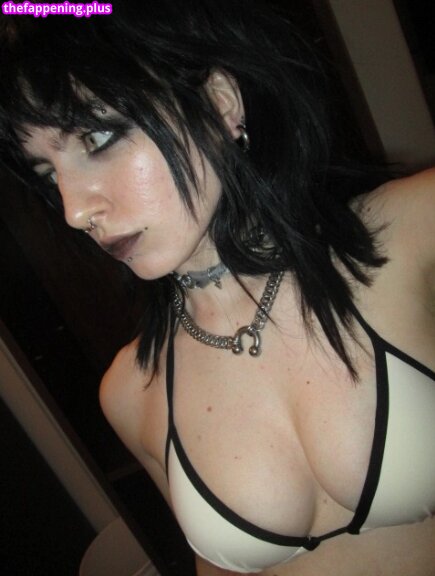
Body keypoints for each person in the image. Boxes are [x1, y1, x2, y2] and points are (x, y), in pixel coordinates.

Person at [0, 1, 434, 574]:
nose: (75, 210)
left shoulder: (415, 233)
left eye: (99, 136)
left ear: (220, 102)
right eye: (47, 174)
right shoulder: (131, 391)